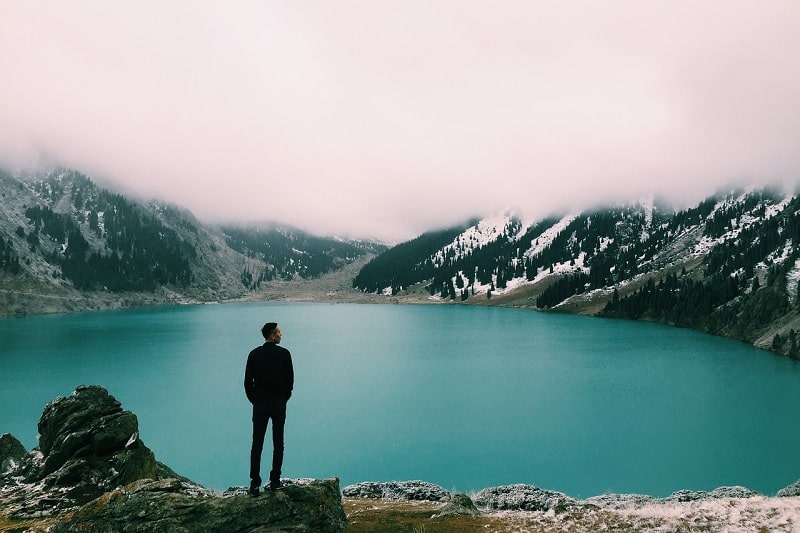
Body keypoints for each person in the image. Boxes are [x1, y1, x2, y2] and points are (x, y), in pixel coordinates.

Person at [244, 322, 294, 496]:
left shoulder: (254, 354)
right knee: (278, 443)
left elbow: (247, 383)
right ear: (272, 335)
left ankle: (255, 484)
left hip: (260, 405)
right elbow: (290, 382)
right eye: (279, 332)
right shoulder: (285, 354)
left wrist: (255, 401)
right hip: (278, 405)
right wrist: (284, 399)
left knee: (257, 444)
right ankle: (275, 481)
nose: (281, 334)